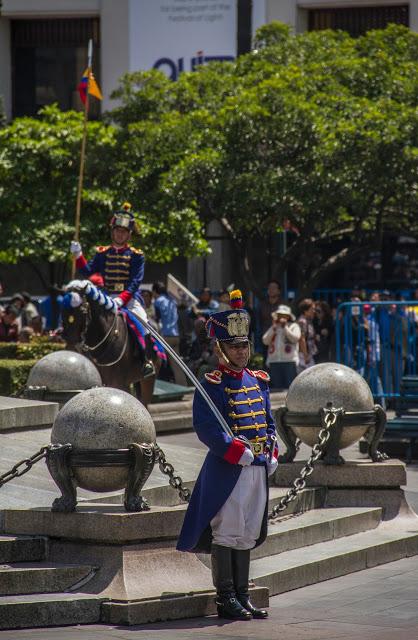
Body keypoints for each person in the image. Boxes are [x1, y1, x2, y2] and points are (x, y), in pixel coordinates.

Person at [177, 289, 278, 621]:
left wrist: (273, 449)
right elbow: (206, 426)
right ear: (221, 348)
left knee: (248, 530)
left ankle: (243, 594)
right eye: (235, 346)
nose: (242, 351)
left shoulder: (258, 380)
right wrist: (234, 449)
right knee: (229, 529)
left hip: (258, 467)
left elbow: (268, 420)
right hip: (228, 468)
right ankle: (226, 597)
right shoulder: (213, 383)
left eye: (245, 345)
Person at [70, 202, 155, 377]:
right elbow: (87, 271)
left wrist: (122, 299)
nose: (119, 233)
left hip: (128, 298)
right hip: (105, 296)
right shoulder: (102, 253)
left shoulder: (136, 256)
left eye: (123, 231)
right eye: (117, 230)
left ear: (129, 235)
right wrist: (79, 255)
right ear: (112, 231)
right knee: (87, 319)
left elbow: (135, 282)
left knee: (143, 323)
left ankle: (145, 360)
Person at [152, 281, 187, 386]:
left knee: (157, 362)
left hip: (165, 336)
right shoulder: (172, 301)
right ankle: (183, 386)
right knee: (176, 364)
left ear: (154, 291)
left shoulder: (158, 301)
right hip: (175, 335)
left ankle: (151, 387)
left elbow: (157, 319)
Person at [262, 304, 300, 390]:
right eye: (280, 315)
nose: (281, 318)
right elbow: (265, 341)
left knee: (290, 388)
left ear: (288, 317)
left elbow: (295, 338)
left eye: (284, 315)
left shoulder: (294, 326)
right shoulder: (274, 327)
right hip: (274, 361)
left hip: (289, 361)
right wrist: (274, 328)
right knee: (277, 388)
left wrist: (285, 327)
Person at [297, 298, 317, 372]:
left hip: (309, 354)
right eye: (312, 309)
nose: (314, 311)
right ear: (305, 311)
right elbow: (301, 339)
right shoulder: (302, 321)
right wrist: (305, 355)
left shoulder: (308, 321)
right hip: (303, 356)